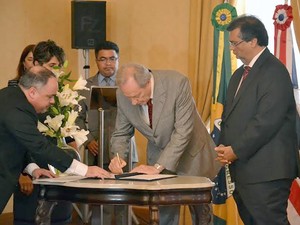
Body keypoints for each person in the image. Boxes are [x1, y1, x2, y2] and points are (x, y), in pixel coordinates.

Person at [108, 63, 221, 225]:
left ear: (147, 83)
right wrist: (117, 158)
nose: (133, 102)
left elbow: (183, 132)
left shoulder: (177, 83)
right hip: (158, 154)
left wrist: (157, 166)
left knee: (201, 214)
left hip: (192, 155)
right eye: (129, 97)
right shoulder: (123, 95)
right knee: (164, 214)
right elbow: (121, 133)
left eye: (136, 96)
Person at [215, 15, 300, 225]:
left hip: (267, 172)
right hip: (243, 170)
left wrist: (235, 150)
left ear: (252, 41)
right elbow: (229, 118)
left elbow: (266, 122)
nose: (231, 48)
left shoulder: (274, 71)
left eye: (235, 43)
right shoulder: (238, 75)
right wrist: (224, 148)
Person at [0, 66, 111, 215]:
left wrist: (33, 169)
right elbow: (40, 146)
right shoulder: (16, 108)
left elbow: (19, 143)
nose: (53, 101)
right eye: (49, 96)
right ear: (32, 92)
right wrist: (85, 170)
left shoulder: (15, 99)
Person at [12, 40, 78, 225]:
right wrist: (24, 172)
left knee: (60, 216)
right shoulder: (18, 94)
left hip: (57, 161)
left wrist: (72, 143)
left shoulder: (58, 90)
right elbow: (15, 140)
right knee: (31, 217)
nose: (55, 71)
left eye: (58, 67)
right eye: (51, 66)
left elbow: (65, 123)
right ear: (36, 65)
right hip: (30, 164)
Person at [76, 41, 138, 224]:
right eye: (103, 59)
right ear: (96, 61)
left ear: (118, 60)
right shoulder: (85, 86)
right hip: (96, 149)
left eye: (112, 59)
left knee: (123, 197)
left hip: (124, 150)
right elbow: (76, 119)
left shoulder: (128, 84)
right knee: (98, 197)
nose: (108, 63)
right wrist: (88, 140)